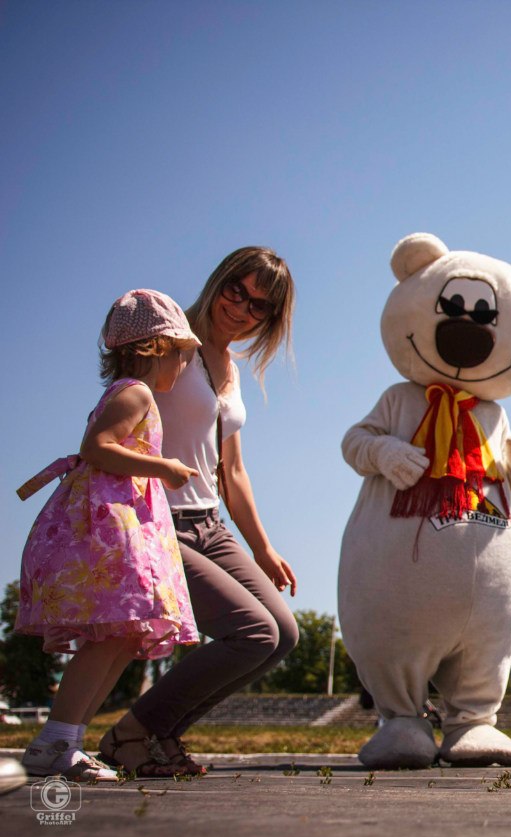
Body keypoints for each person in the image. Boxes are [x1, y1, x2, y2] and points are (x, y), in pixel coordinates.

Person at [102, 248, 300, 776]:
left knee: (283, 634)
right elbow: (117, 401)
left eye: (260, 306)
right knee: (252, 632)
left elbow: (231, 471)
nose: (242, 309)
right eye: (238, 290)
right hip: (159, 520)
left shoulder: (231, 369)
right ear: (220, 280)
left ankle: (159, 734)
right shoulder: (170, 341)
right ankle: (134, 732)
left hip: (211, 522)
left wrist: (263, 548)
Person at [17, 290, 202, 780]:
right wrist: (164, 466)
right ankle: (55, 739)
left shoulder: (134, 394)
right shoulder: (134, 393)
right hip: (112, 533)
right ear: (156, 347)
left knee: (124, 638)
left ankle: (67, 740)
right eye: (181, 354)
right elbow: (97, 447)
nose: (183, 367)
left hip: (128, 527)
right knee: (113, 637)